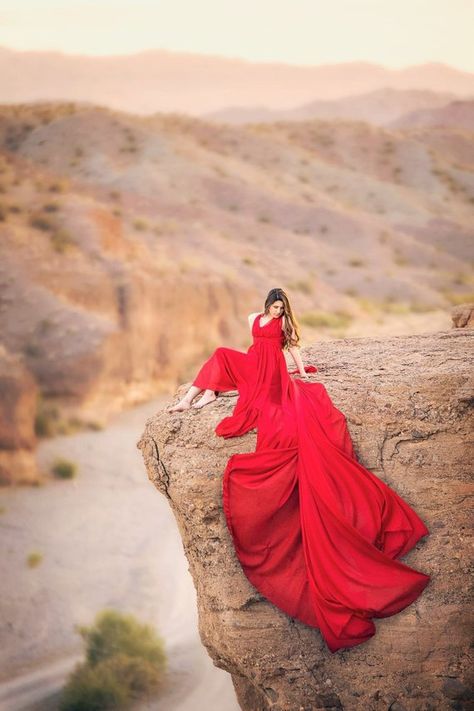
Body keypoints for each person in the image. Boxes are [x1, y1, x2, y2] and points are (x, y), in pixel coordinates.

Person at [167, 287, 430, 653]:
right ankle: (195, 396)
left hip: (274, 378)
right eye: (274, 307)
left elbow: (292, 350)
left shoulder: (285, 324)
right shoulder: (252, 319)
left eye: (280, 308)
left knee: (284, 414)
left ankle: (204, 394)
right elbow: (255, 346)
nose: (276, 312)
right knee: (222, 355)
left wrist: (303, 372)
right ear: (265, 306)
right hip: (256, 368)